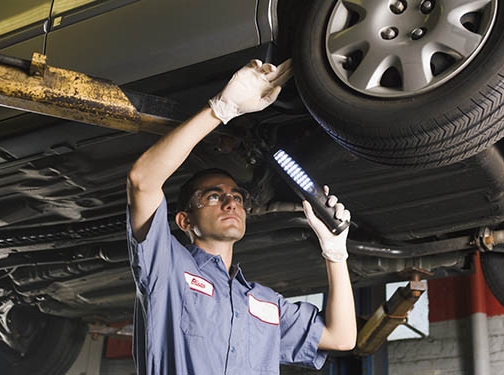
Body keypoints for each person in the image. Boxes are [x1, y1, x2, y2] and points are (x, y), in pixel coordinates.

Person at [126, 59, 357, 374]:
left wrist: (335, 253)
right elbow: (142, 181)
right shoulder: (168, 268)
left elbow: (342, 337)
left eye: (236, 196)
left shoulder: (263, 302)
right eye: (213, 196)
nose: (230, 202)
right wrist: (222, 109)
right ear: (184, 221)